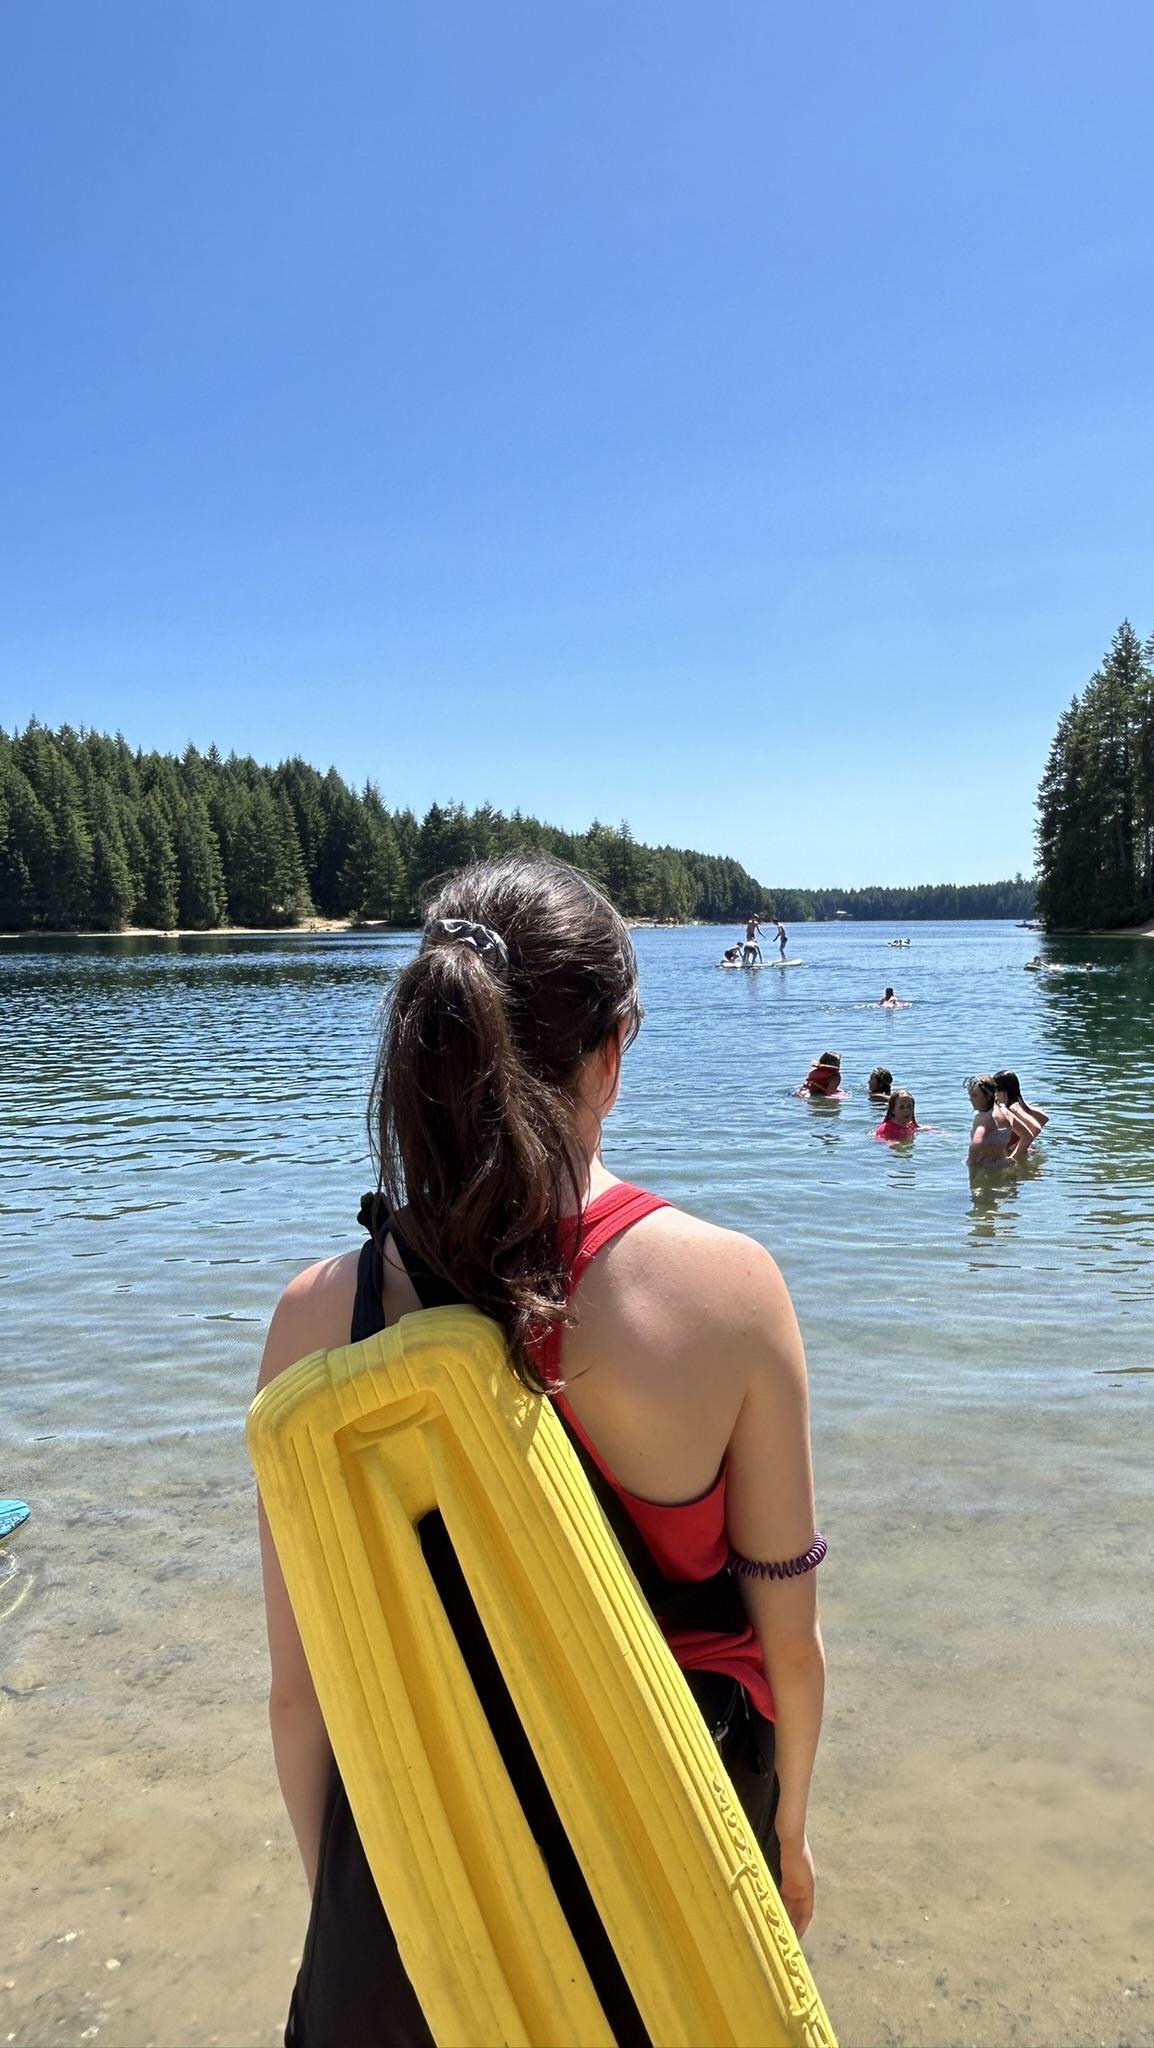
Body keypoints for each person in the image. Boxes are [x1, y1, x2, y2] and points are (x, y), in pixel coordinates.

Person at [257, 856, 826, 2042]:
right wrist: (788, 1837)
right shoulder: (728, 1292)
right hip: (661, 1870)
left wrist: (365, 1910)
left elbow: (303, 1697)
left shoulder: (317, 1317)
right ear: (613, 1053)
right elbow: (792, 1645)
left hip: (423, 1873)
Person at [992, 1069, 1048, 1155]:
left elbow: (1036, 1128)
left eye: (995, 1090)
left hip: (1016, 1155)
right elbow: (1044, 1118)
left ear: (1004, 1091)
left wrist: (1017, 1148)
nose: (994, 1095)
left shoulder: (1013, 1108)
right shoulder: (1018, 1104)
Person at [967, 1075, 1014, 1167]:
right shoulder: (1005, 1112)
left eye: (974, 1095)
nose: (970, 1099)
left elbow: (976, 1144)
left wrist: (970, 1165)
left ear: (988, 1096)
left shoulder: (982, 1118)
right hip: (1002, 1164)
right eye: (970, 1095)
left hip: (984, 1169)